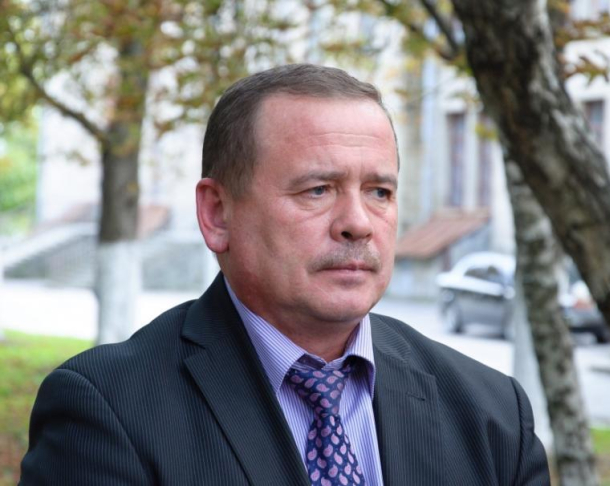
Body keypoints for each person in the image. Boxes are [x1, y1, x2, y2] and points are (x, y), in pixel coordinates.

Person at [20, 64, 550, 485]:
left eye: (379, 192)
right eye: (317, 189)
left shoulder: (492, 414)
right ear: (217, 214)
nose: (358, 223)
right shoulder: (108, 412)